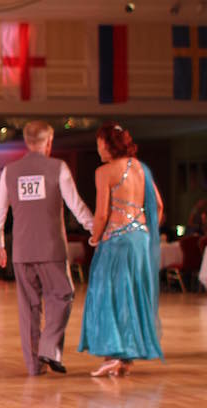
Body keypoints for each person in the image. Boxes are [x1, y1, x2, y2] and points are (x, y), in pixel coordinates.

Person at [0, 120, 94, 376]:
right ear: (49, 142)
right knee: (62, 295)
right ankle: (48, 348)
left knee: (29, 308)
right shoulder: (57, 167)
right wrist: (94, 227)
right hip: (51, 249)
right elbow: (75, 205)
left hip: (22, 251)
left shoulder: (9, 171)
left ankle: (34, 365)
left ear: (27, 142)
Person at [78, 122, 164, 376]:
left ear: (107, 144)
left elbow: (102, 214)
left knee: (108, 295)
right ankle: (125, 359)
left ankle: (113, 353)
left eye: (99, 144)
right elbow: (158, 206)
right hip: (140, 240)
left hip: (115, 242)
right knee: (133, 294)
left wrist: (95, 238)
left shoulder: (105, 172)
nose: (98, 149)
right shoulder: (142, 169)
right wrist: (144, 230)